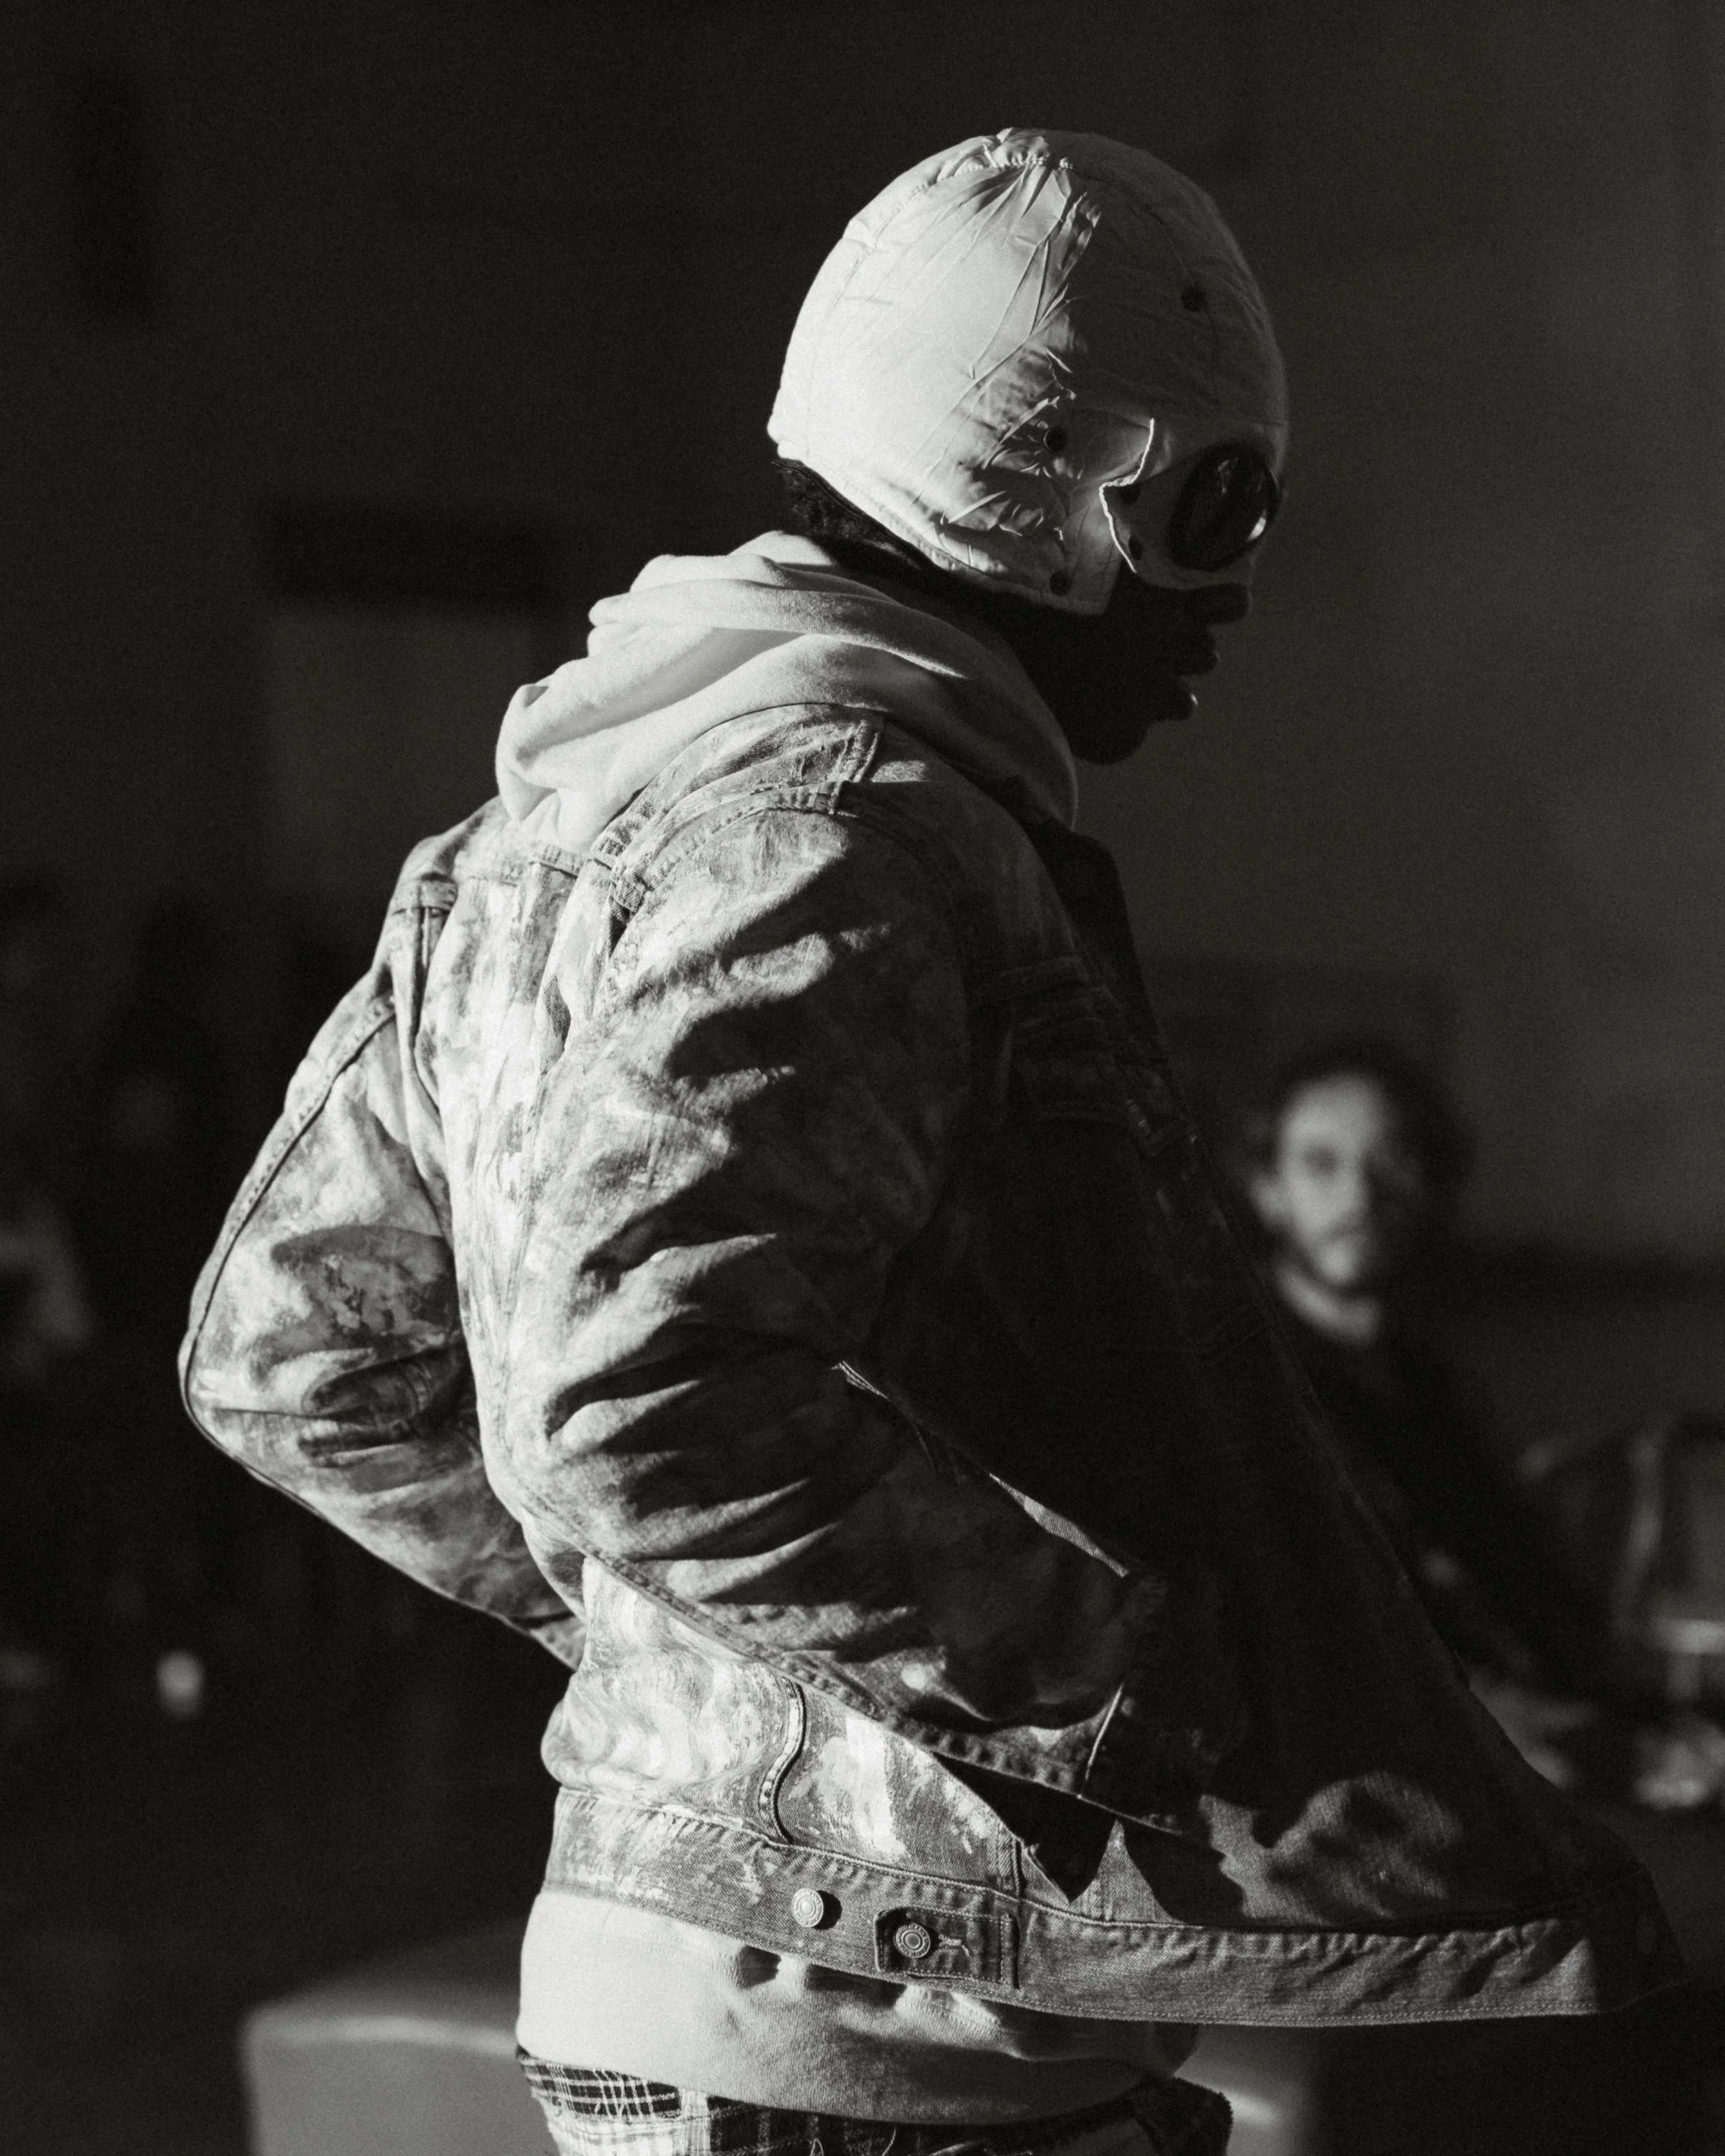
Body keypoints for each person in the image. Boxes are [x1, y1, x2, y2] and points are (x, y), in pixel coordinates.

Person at [181, 132, 1677, 2156]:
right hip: (884, 2048)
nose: (1229, 598)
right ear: (1072, 501)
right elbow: (635, 1408)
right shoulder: (859, 823)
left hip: (683, 1995)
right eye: (1216, 507)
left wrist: (646, 1639)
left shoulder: (520, 839)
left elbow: (296, 1357)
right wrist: (1116, 1671)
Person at [1244, 1036, 1725, 1806]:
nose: (1359, 1196)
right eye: (1319, 1162)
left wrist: (1639, 1713)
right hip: (1395, 1784)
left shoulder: (1431, 1385)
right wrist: (1577, 1739)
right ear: (1267, 1189)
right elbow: (1319, 1642)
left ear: (1435, 1180)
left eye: (1390, 1159)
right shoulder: (1243, 1382)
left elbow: (1523, 1579)